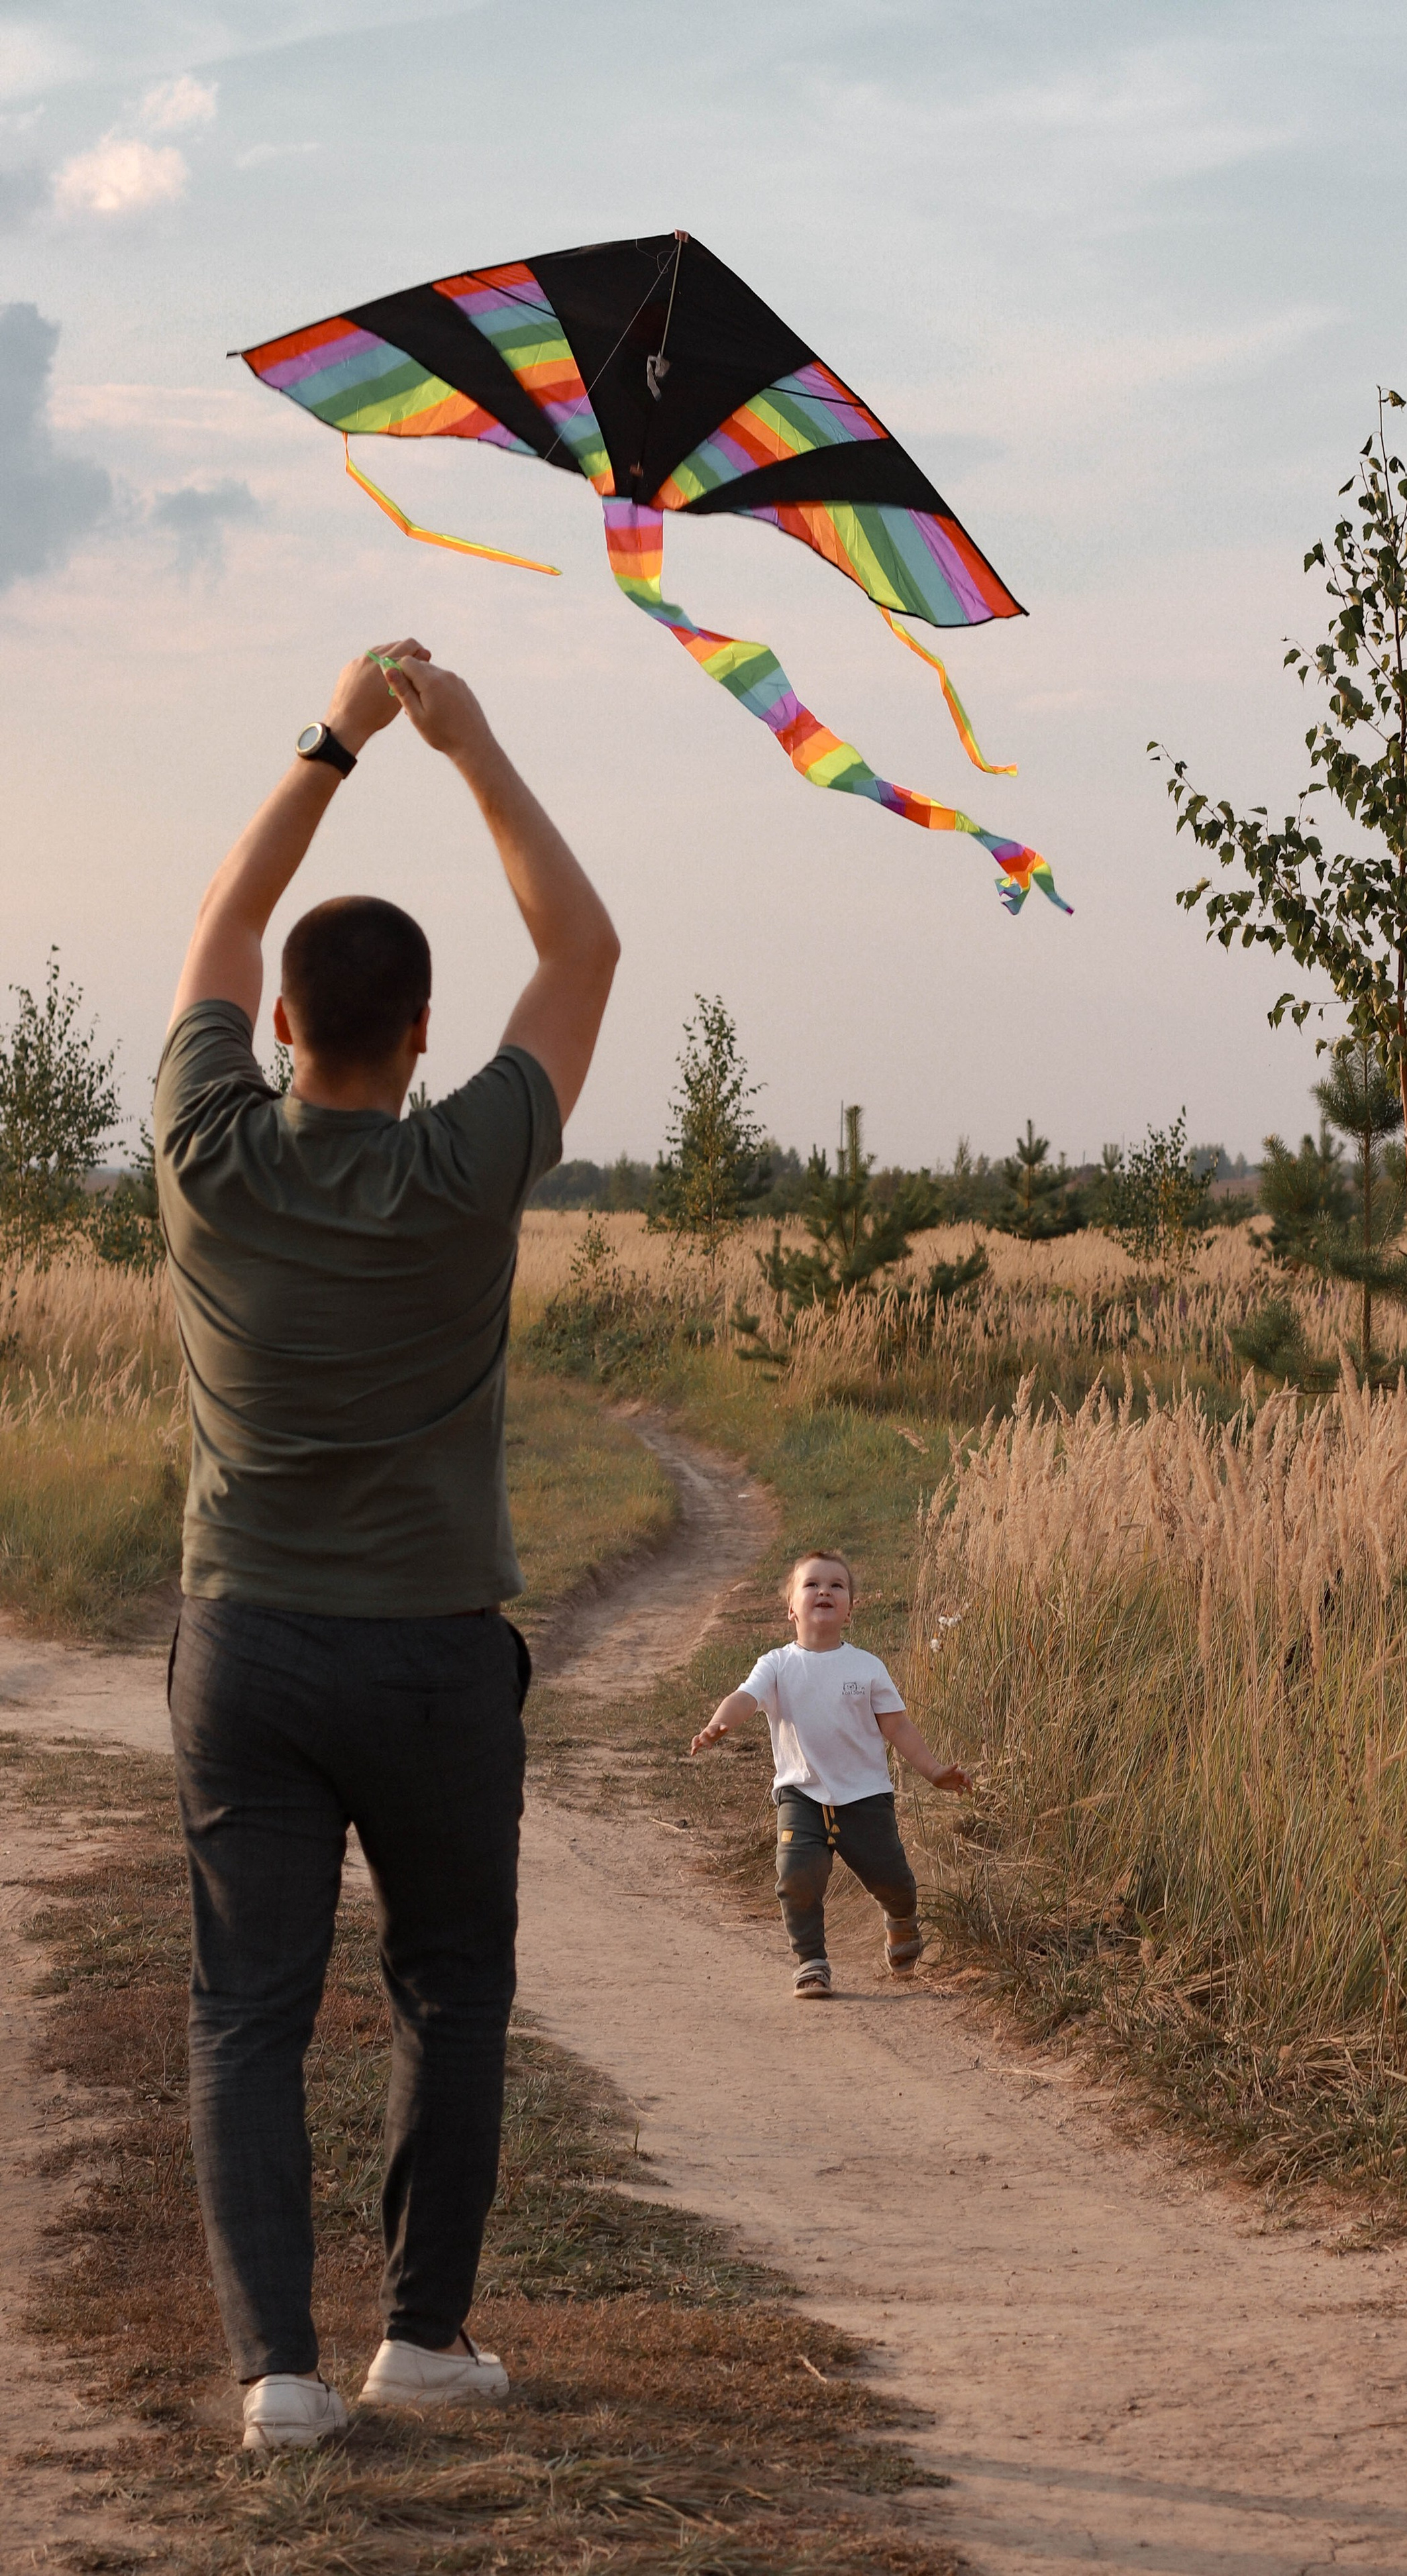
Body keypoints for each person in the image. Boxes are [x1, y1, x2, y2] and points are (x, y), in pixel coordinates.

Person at [155, 639, 619, 2454]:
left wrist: (339, 732)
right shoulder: (469, 1165)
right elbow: (580, 955)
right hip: (434, 1655)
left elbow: (224, 910)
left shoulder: (211, 1151)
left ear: (280, 1028)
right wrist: (475, 746)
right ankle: (422, 2334)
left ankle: (278, 2369)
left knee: (250, 2008)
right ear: (426, 1036)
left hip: (251, 1649)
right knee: (452, 1984)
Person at [690, 1551, 969, 1998]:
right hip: (801, 1795)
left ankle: (900, 1920)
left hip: (866, 1797)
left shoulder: (867, 1667)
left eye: (837, 1586)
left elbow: (897, 1726)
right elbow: (744, 1698)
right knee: (796, 1875)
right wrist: (720, 1723)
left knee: (892, 1880)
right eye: (812, 1584)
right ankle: (812, 1962)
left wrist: (934, 1771)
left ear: (850, 1609)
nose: (824, 1591)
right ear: (791, 1609)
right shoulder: (776, 1664)